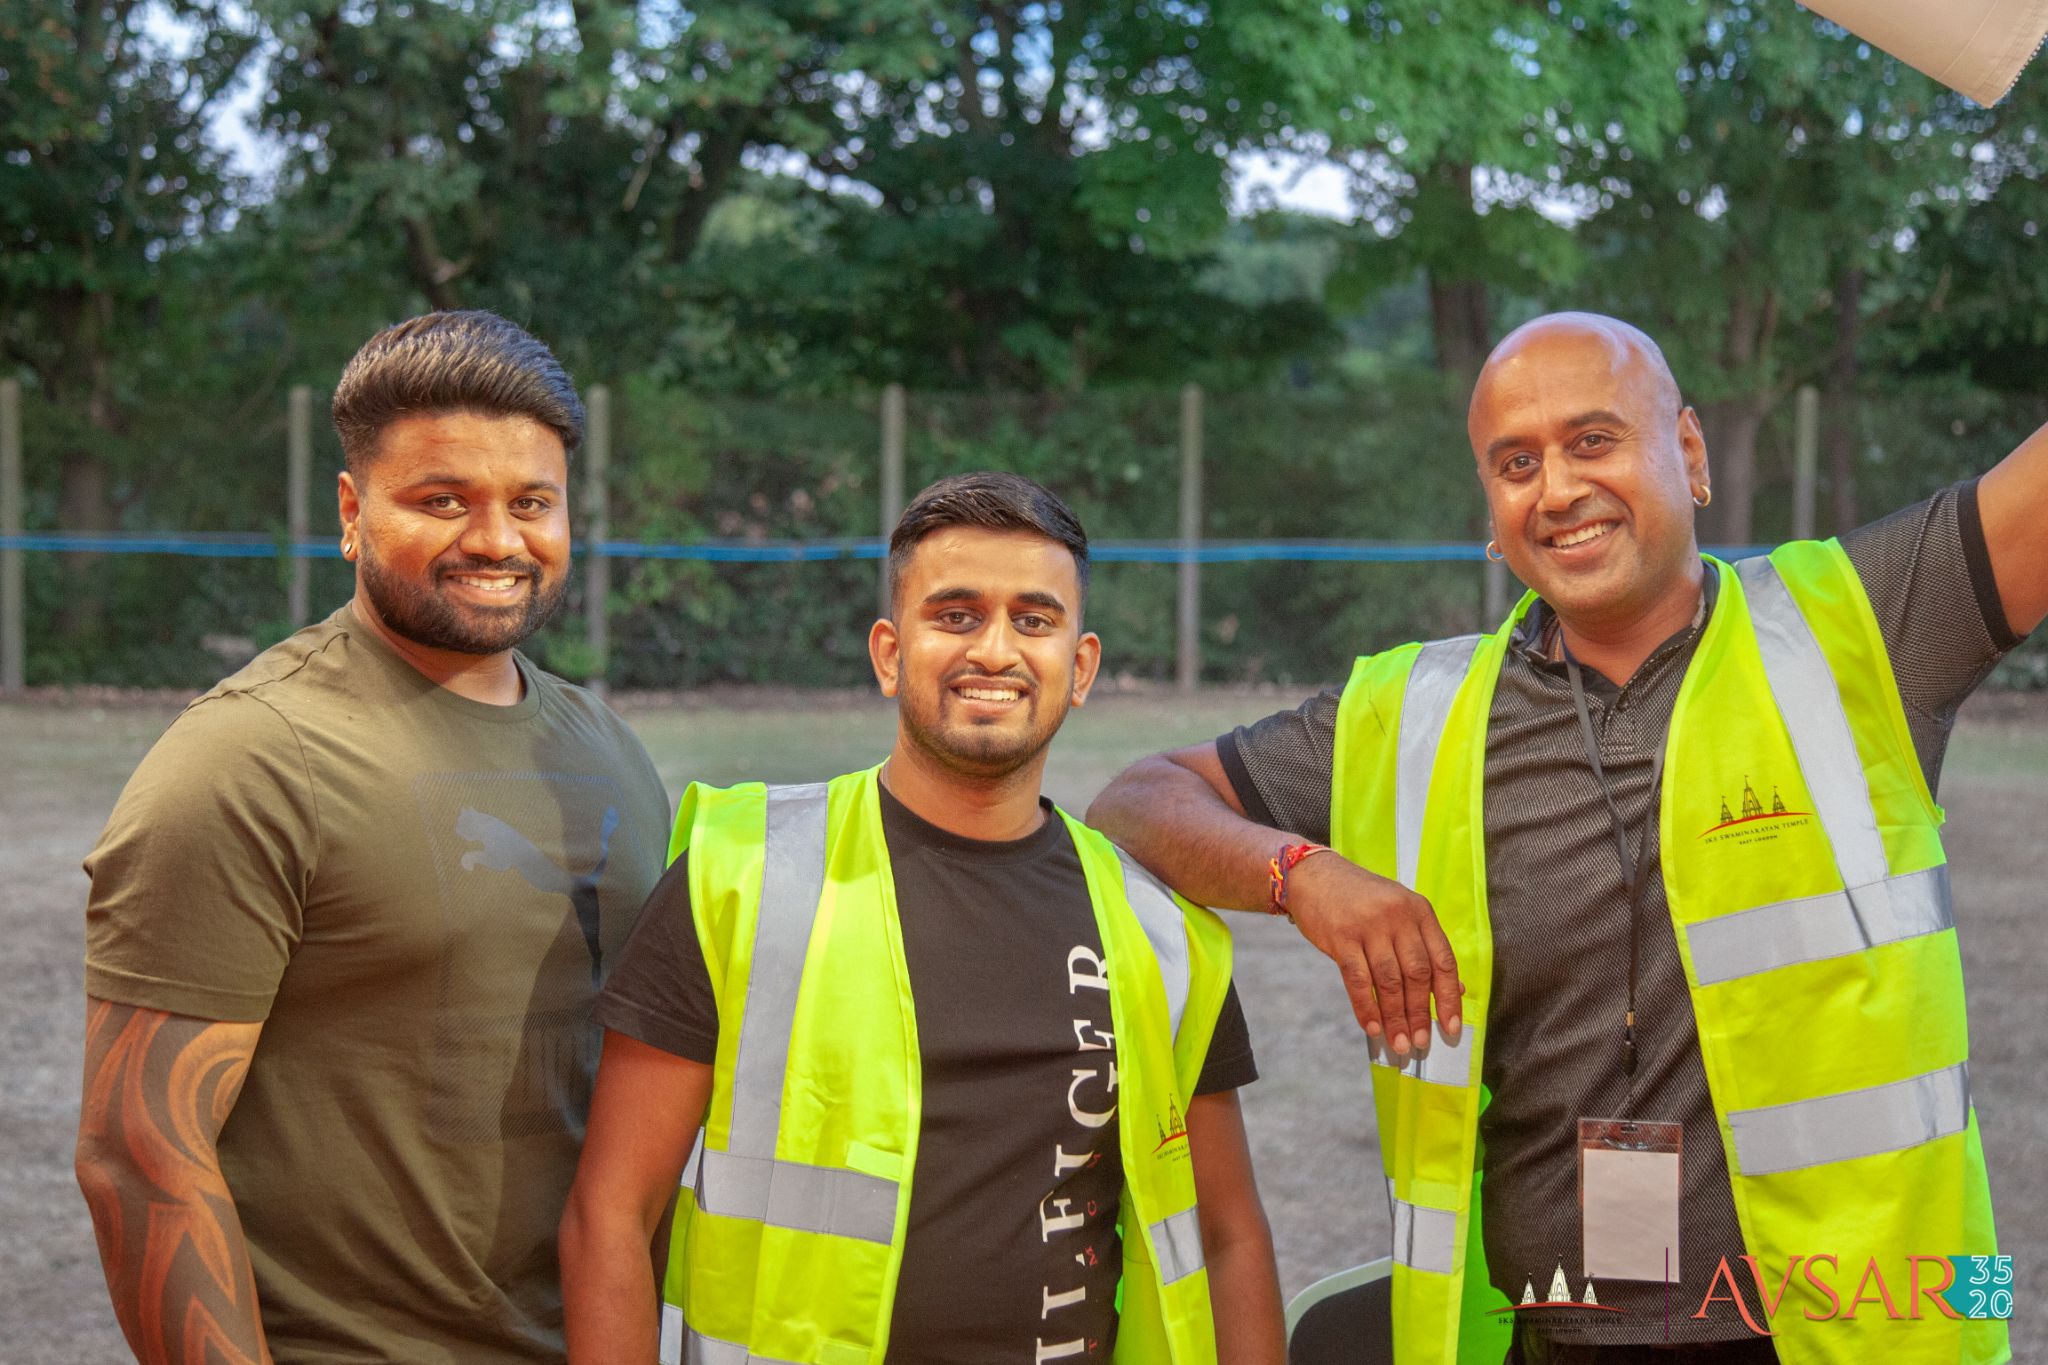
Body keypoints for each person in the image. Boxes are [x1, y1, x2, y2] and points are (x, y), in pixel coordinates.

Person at [1089, 312, 2046, 1365]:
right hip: (1546, 1336)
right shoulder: (1409, 712)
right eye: (1515, 463)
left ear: (1687, 452)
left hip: (1846, 1331)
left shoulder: (1859, 623)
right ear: (1491, 518)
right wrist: (1300, 875)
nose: (1554, 488)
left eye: (1592, 440)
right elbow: (1136, 800)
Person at [559, 472, 1285, 1364]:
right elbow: (610, 1218)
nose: (995, 648)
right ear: (889, 652)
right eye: (954, 613)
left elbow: (1229, 1240)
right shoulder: (738, 875)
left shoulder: (1160, 931)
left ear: (1081, 664)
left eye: (1034, 618)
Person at [75, 310, 673, 1363]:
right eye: (442, 500)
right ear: (352, 512)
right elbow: (138, 1151)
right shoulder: (250, 758)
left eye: (530, 502)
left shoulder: (608, 748)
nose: (496, 538)